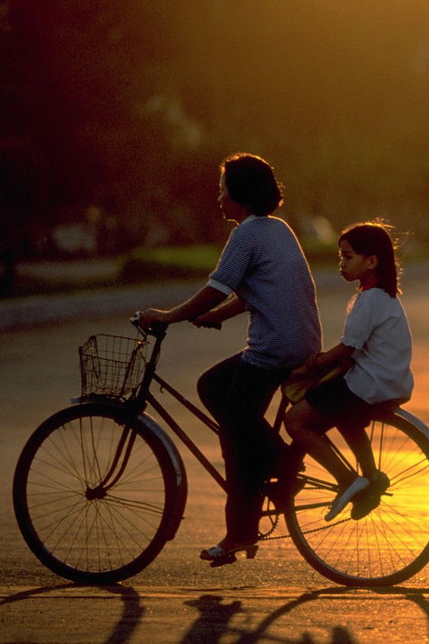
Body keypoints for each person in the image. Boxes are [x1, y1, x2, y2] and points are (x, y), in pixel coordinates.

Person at [138, 153, 321, 565]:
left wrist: (168, 316)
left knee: (236, 432)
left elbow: (217, 287)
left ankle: (282, 470)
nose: (218, 197)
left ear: (239, 196)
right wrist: (213, 317)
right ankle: (259, 491)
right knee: (222, 403)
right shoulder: (278, 230)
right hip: (300, 342)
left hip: (274, 348)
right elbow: (254, 290)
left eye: (223, 190)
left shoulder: (247, 234)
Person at [284, 221, 413, 521]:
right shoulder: (384, 297)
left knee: (296, 420)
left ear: (371, 261)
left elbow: (346, 348)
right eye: (340, 256)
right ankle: (370, 475)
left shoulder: (369, 300)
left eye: (348, 256)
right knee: (341, 413)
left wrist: (312, 363)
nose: (342, 263)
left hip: (368, 384)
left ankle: (347, 479)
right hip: (389, 382)